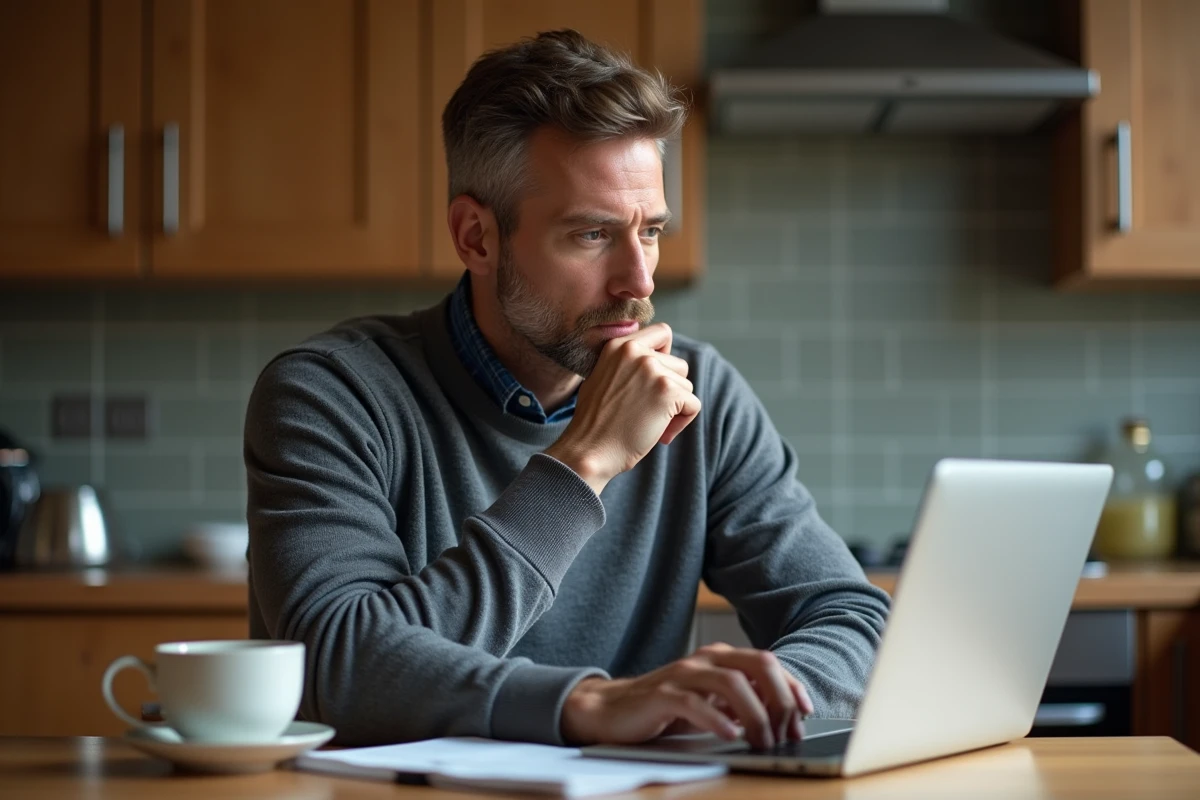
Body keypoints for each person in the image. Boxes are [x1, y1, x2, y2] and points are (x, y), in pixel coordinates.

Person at [245, 29, 890, 751]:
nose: (640, 281)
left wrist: (747, 702)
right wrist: (586, 462)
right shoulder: (330, 394)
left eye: (650, 231)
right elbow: (335, 668)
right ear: (476, 237)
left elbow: (852, 620)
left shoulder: (703, 397)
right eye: (591, 236)